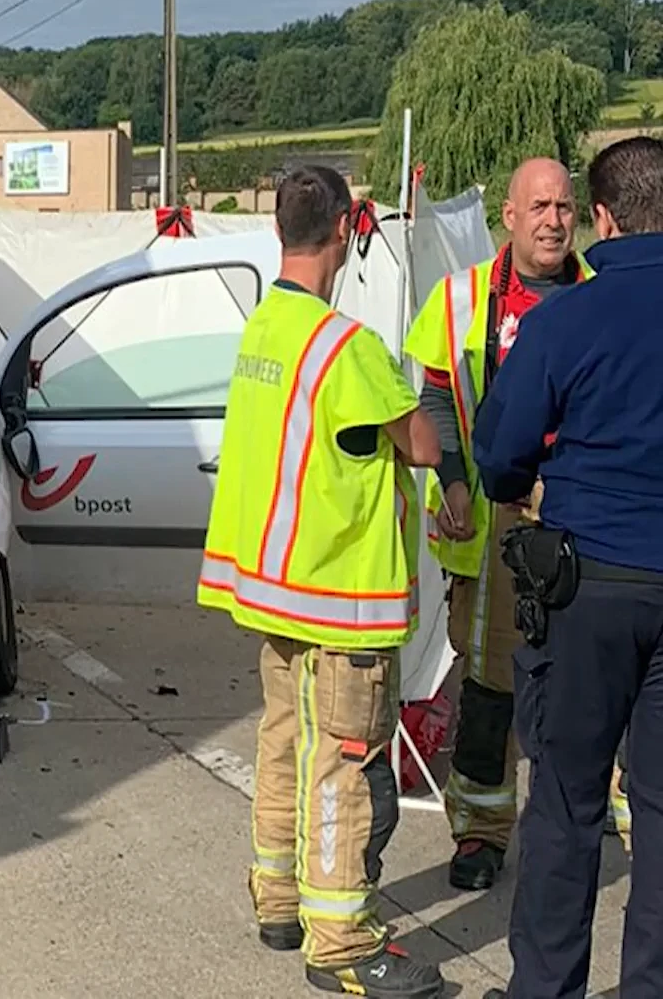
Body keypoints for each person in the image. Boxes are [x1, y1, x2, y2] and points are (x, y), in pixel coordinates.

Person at [198, 164, 445, 998]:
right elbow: (424, 446)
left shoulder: (263, 328)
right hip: (340, 597)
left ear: (279, 230)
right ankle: (339, 935)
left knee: (282, 741)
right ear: (345, 228)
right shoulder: (349, 348)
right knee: (343, 761)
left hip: (273, 590)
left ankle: (279, 897)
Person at [473, 134, 663, 998]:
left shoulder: (561, 321)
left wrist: (527, 481)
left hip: (586, 586)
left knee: (567, 804)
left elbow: (504, 457)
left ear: (601, 217)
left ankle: (547, 988)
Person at [401, 157, 600, 890]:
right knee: (490, 686)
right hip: (491, 527)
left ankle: (582, 817)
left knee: (586, 680)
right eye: (540, 207)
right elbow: (434, 397)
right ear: (509, 218)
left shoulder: (600, 297)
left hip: (582, 518)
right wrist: (452, 482)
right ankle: (480, 832)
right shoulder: (460, 301)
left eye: (566, 207)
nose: (554, 220)